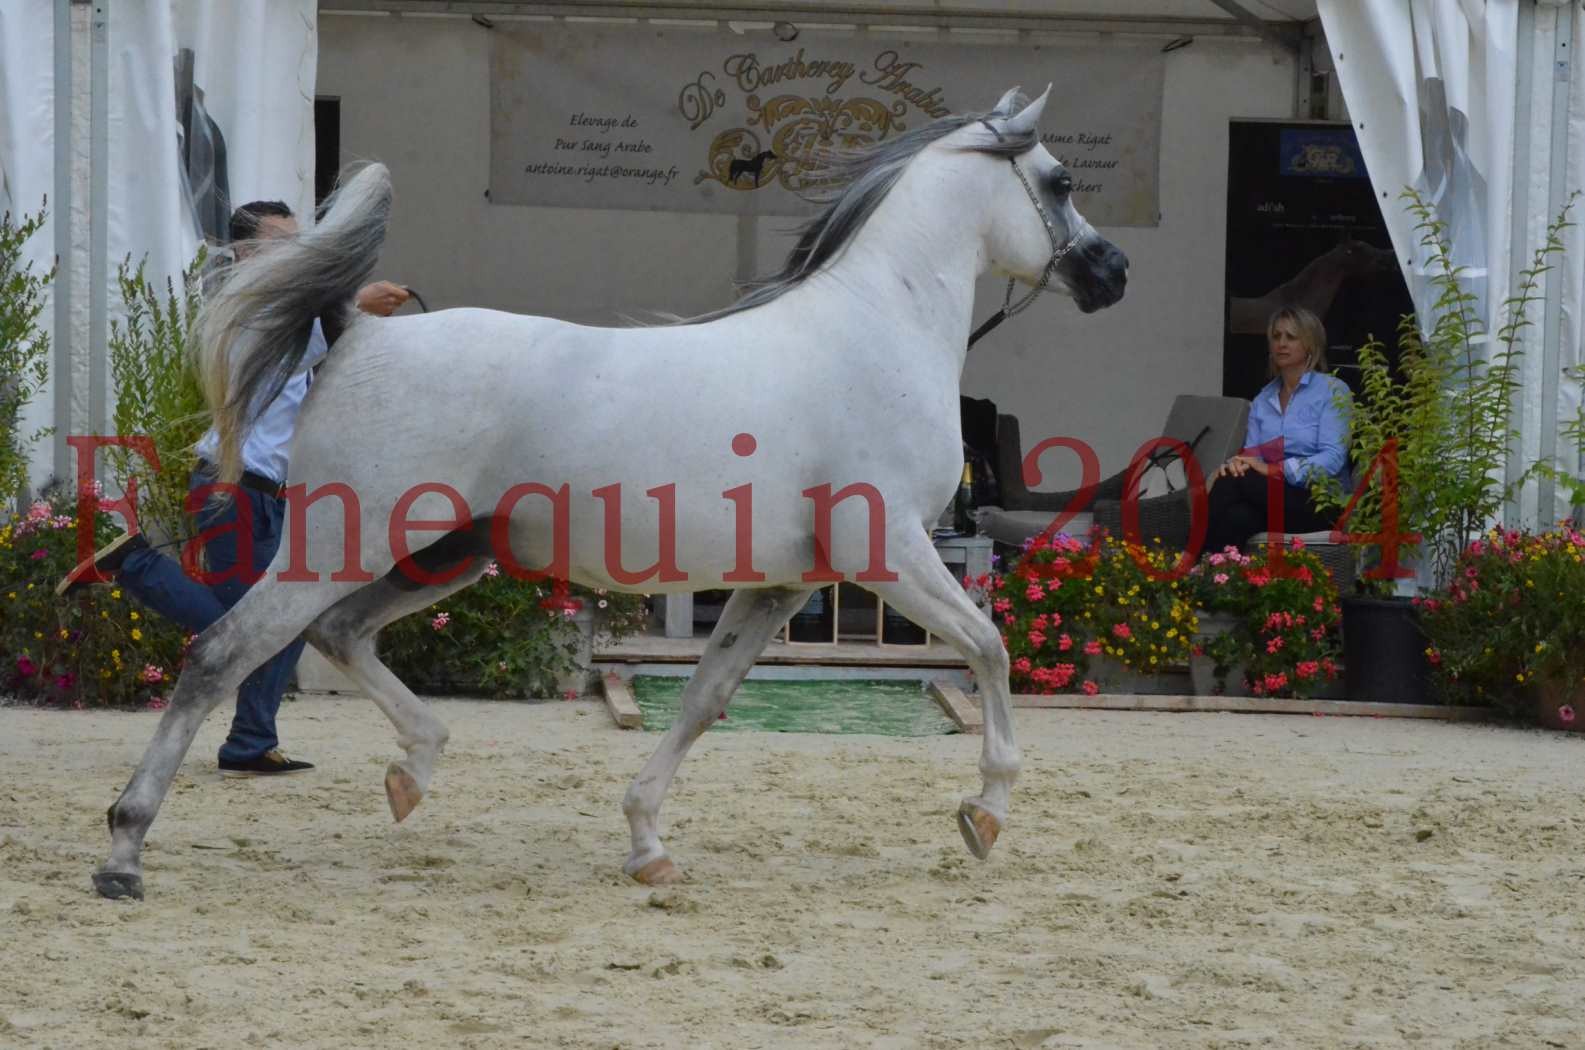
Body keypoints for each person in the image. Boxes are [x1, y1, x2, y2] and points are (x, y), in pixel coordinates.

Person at [57, 199, 410, 775]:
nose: (298, 252)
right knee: (259, 625)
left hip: (254, 491)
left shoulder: (269, 306)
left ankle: (250, 743)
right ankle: (135, 565)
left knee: (277, 620)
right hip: (234, 489)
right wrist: (356, 304)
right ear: (246, 253)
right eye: (283, 242)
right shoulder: (252, 307)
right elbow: (301, 344)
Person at [1202, 305, 1352, 557]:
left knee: (1232, 482)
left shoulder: (1332, 390)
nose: (1281, 343)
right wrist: (1236, 464)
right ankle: (1218, 585)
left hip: (1319, 502)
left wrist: (1276, 469)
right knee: (1236, 518)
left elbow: (1333, 458)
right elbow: (1253, 456)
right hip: (1271, 498)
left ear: (1310, 344)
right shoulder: (1264, 399)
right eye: (1276, 336)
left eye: (1291, 337)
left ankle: (1186, 564)